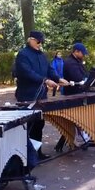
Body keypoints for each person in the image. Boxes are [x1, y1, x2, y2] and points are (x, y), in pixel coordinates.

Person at [15, 31, 69, 160]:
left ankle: (37, 153)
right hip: (27, 95)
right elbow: (27, 72)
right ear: (31, 40)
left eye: (41, 42)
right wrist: (45, 80)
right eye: (38, 41)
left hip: (41, 95)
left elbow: (49, 69)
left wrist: (58, 78)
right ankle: (25, 156)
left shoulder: (41, 55)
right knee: (28, 125)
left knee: (39, 124)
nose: (40, 44)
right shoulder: (23, 55)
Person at [54, 43, 89, 152]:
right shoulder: (70, 63)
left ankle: (82, 137)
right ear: (76, 51)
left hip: (79, 93)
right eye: (82, 53)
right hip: (73, 95)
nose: (83, 55)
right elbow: (77, 77)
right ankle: (79, 139)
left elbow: (85, 74)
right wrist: (85, 79)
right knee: (75, 120)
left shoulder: (77, 61)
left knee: (77, 120)